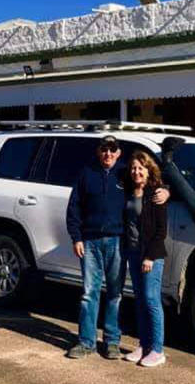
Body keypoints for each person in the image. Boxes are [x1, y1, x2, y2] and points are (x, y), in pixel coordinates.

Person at [65, 135, 167, 360]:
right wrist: (76, 238)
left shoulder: (126, 173)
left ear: (119, 153)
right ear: (98, 151)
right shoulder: (86, 174)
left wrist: (167, 190)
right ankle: (86, 342)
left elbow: (150, 181)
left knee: (115, 293)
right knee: (89, 293)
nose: (108, 154)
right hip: (89, 242)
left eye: (112, 150)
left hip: (117, 242)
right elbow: (73, 208)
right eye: (104, 149)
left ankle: (112, 341)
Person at [121, 151, 168, 367]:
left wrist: (150, 256)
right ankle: (144, 345)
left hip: (151, 256)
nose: (136, 171)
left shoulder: (156, 194)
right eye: (133, 168)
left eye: (141, 168)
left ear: (149, 170)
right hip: (133, 253)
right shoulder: (129, 190)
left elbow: (161, 231)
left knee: (151, 300)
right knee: (140, 301)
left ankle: (157, 350)